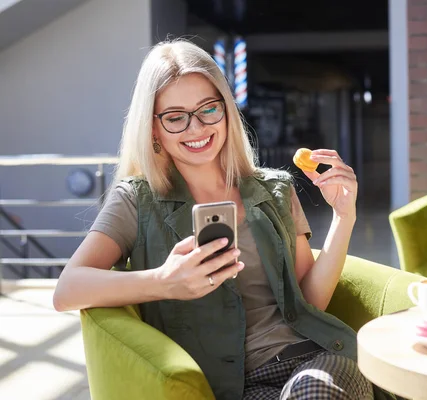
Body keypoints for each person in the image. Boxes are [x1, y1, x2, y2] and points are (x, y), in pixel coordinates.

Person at [53, 40, 387, 400]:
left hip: (314, 361)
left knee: (313, 392)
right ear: (153, 129)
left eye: (208, 109)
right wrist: (163, 282)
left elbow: (308, 304)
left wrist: (344, 216)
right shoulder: (136, 200)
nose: (196, 128)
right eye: (176, 117)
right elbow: (67, 290)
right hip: (234, 386)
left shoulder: (275, 189)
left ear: (226, 111)